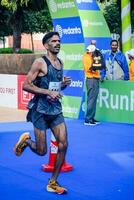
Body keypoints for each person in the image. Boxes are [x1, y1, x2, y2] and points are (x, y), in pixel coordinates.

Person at [13, 31, 71, 194]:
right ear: (46, 45)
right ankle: (26, 141)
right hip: (40, 110)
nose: (57, 43)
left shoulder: (59, 62)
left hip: (55, 110)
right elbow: (26, 85)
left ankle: (52, 182)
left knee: (63, 144)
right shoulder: (40, 62)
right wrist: (47, 92)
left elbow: (55, 87)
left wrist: (63, 84)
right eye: (53, 41)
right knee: (41, 151)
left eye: (59, 41)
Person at [82, 44, 105, 125]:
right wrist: (98, 67)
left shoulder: (88, 56)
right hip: (91, 79)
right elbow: (91, 69)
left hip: (93, 79)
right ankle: (88, 119)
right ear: (91, 52)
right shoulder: (87, 58)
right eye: (94, 52)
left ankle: (91, 118)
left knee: (93, 99)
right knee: (92, 99)